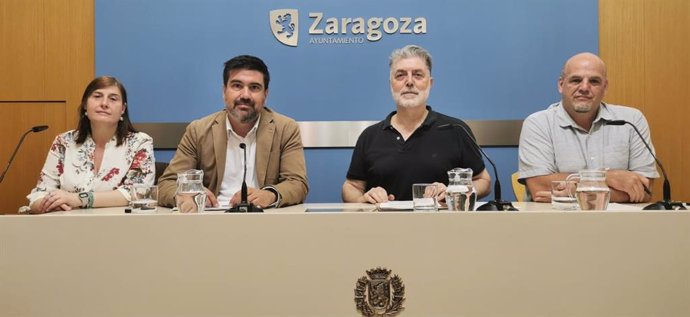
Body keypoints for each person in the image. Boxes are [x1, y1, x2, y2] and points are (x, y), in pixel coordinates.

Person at [342, 45, 491, 204]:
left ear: (430, 83)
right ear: (390, 83)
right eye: (400, 75)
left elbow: (484, 181)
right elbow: (351, 186)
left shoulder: (456, 130)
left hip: (443, 227)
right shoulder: (370, 136)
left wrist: (454, 192)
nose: (409, 82)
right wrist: (363, 198)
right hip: (383, 227)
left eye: (418, 75)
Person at [157, 55, 308, 210]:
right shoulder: (198, 130)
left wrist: (270, 195)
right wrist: (185, 195)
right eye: (237, 86)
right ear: (224, 91)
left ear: (265, 95)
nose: (245, 95)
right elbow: (166, 184)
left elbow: (297, 183)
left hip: (264, 218)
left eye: (254, 87)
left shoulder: (285, 128)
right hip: (211, 220)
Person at [518, 52, 659, 203]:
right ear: (561, 85)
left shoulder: (631, 120)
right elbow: (540, 187)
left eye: (594, 81)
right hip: (557, 222)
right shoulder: (538, 123)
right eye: (576, 80)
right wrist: (607, 177)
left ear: (605, 87)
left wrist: (573, 190)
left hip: (618, 222)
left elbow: (643, 189)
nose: (584, 87)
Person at [26, 76, 155, 213]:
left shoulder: (140, 143)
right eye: (97, 96)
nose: (104, 103)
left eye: (113, 99)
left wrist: (78, 199)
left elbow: (137, 193)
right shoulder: (63, 142)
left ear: (122, 109)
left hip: (119, 227)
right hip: (67, 226)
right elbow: (39, 195)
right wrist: (53, 204)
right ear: (85, 105)